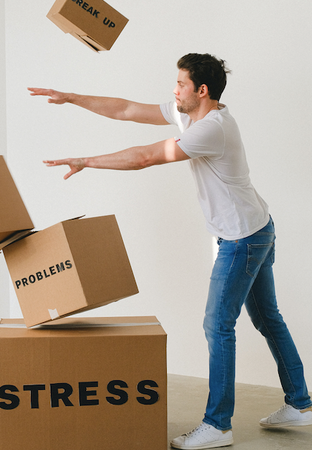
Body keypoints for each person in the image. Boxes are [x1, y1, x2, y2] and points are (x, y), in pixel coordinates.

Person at [28, 53, 312, 450]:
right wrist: (72, 97)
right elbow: (127, 109)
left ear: (202, 90)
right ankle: (300, 404)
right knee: (267, 318)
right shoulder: (191, 115)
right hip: (257, 228)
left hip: (242, 240)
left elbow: (145, 157)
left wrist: (86, 161)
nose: (173, 90)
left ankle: (218, 425)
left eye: (180, 84)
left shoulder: (210, 129)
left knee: (218, 326)